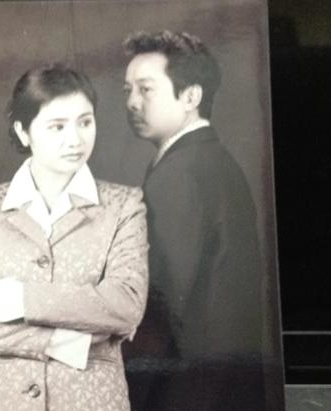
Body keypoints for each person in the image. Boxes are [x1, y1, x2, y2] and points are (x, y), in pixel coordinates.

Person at [0, 63, 149, 411]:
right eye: (57, 126)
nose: (75, 139)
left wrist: (20, 299)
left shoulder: (123, 205)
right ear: (23, 132)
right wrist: (58, 342)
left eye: (85, 122)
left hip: (92, 399)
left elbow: (126, 306)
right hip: (0, 400)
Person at [122, 31, 264, 410]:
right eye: (128, 90)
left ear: (191, 97)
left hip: (185, 391)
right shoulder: (212, 161)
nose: (132, 101)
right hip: (220, 386)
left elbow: (162, 307)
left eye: (146, 89)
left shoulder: (180, 173)